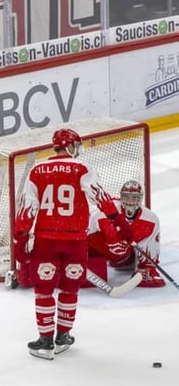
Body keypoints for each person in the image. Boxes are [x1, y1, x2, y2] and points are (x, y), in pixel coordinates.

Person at [13, 128, 117, 360]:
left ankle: (45, 341)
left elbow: (28, 207)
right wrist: (115, 218)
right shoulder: (83, 169)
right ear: (69, 146)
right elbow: (98, 195)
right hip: (75, 241)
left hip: (46, 240)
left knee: (43, 290)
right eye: (76, 145)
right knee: (70, 288)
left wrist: (20, 236)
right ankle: (62, 336)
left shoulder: (37, 169)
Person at [86, 180, 165, 289]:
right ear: (121, 197)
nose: (130, 202)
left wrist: (147, 266)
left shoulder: (150, 220)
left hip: (123, 259)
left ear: (140, 198)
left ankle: (128, 261)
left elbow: (149, 246)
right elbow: (83, 231)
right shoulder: (102, 214)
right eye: (127, 197)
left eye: (134, 198)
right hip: (95, 253)